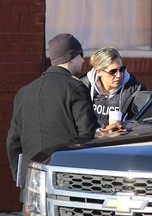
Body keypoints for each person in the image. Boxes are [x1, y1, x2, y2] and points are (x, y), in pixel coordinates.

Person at [6, 34, 124, 202]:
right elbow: (87, 136)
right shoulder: (76, 88)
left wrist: (22, 176)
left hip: (31, 185)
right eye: (81, 56)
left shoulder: (24, 92)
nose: (83, 62)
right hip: (67, 185)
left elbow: (13, 142)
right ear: (72, 58)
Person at [80, 46, 147, 127]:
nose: (119, 75)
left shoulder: (135, 89)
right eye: (113, 71)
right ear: (99, 72)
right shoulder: (83, 86)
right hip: (91, 137)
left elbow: (141, 123)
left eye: (122, 69)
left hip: (122, 137)